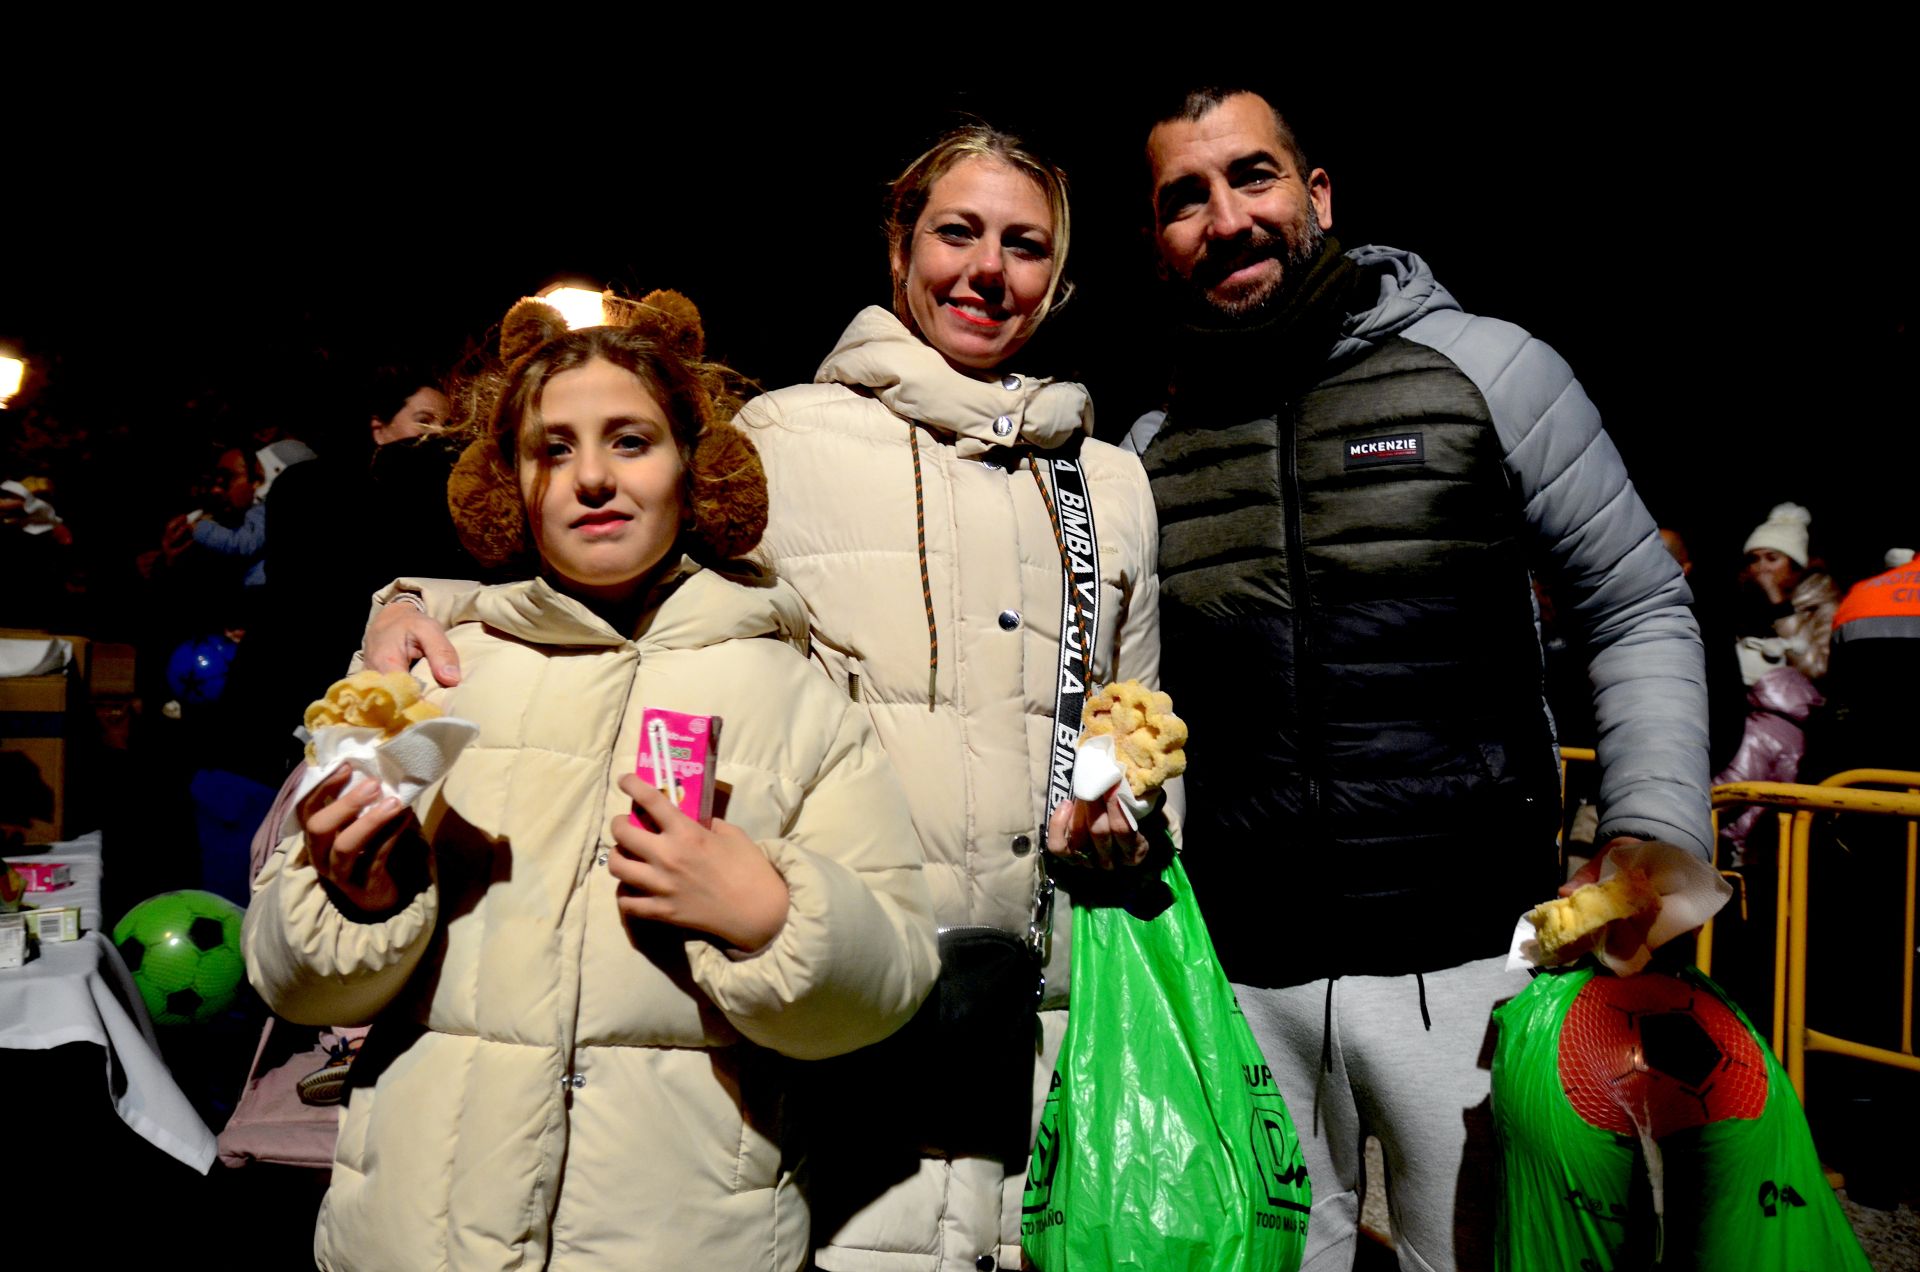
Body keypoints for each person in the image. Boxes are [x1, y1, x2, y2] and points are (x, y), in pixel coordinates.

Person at [364, 125, 1169, 1272]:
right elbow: (599, 590)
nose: (987, 270)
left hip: (1053, 1033)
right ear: (899, 249)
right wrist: (411, 607)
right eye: (957, 232)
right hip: (822, 1015)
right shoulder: (782, 440)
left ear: (1063, 278)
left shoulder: (1113, 486)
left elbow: (1139, 723)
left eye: (1025, 244)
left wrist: (1130, 816)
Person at [1124, 87, 1710, 1272]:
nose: (1226, 217)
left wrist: (1651, 824)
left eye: (1254, 177)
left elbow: (1637, 604)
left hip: (1476, 967)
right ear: (1158, 241)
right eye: (1186, 196)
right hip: (1240, 983)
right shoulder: (1148, 452)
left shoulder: (1490, 368)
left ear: (1318, 195)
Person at [243, 298, 939, 1270]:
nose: (595, 477)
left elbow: (894, 975)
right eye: (553, 449)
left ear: (694, 466)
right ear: (511, 482)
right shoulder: (432, 677)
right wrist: (352, 901)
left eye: (631, 440)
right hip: (422, 1238)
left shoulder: (792, 692)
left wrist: (777, 917)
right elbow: (288, 977)